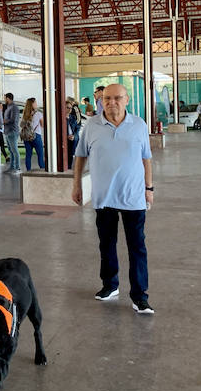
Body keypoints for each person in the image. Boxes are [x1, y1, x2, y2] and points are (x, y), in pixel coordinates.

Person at [71, 83, 154, 314]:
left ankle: (140, 296)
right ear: (101, 100)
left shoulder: (138, 125)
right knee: (106, 244)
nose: (111, 102)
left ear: (127, 100)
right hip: (103, 197)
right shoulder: (92, 126)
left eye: (117, 98)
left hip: (134, 196)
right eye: (107, 98)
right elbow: (80, 157)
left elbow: (146, 158)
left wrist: (149, 188)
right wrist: (76, 184)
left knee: (137, 247)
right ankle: (110, 285)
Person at [20, 97, 45, 171]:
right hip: (36, 136)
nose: (36, 104)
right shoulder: (38, 114)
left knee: (28, 155)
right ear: (32, 104)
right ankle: (43, 170)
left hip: (26, 137)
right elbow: (42, 125)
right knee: (40, 155)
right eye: (35, 103)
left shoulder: (25, 114)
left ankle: (28, 171)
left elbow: (22, 125)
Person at [3, 93, 21, 172]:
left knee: (14, 150)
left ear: (8, 98)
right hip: (7, 131)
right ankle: (12, 167)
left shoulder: (14, 107)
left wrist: (5, 121)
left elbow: (14, 119)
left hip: (12, 131)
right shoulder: (8, 107)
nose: (4, 100)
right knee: (11, 150)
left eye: (5, 98)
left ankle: (17, 167)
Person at [66, 98, 82, 167]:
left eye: (70, 108)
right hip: (65, 140)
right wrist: (66, 136)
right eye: (67, 108)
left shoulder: (72, 117)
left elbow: (77, 128)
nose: (70, 109)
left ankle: (69, 168)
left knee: (70, 156)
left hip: (72, 139)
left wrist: (74, 135)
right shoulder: (60, 118)